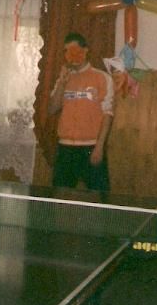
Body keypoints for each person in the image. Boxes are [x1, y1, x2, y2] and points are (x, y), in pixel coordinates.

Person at [48, 32, 114, 191]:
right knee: (60, 197)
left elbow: (108, 115)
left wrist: (99, 147)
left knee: (98, 197)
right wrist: (62, 83)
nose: (71, 56)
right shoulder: (64, 78)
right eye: (67, 51)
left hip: (91, 148)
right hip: (65, 149)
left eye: (75, 51)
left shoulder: (102, 78)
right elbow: (52, 109)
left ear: (85, 51)